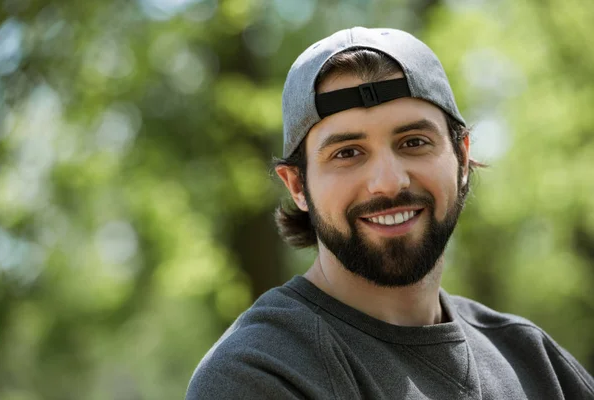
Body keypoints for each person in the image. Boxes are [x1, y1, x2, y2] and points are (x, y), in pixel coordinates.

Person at [186, 27, 594, 399]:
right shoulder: (259, 374)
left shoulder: (535, 362)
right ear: (297, 186)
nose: (388, 181)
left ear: (461, 156)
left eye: (414, 142)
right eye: (347, 153)